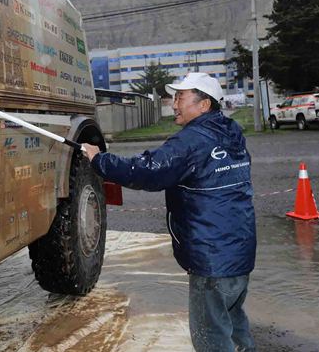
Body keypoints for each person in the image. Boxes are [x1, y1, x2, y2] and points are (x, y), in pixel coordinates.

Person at [82, 72, 256, 352]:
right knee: (233, 321)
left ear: (204, 105)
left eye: (181, 97)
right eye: (174, 97)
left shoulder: (191, 141)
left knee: (210, 336)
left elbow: (148, 171)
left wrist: (99, 159)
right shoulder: (231, 131)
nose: (173, 104)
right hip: (240, 252)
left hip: (212, 258)